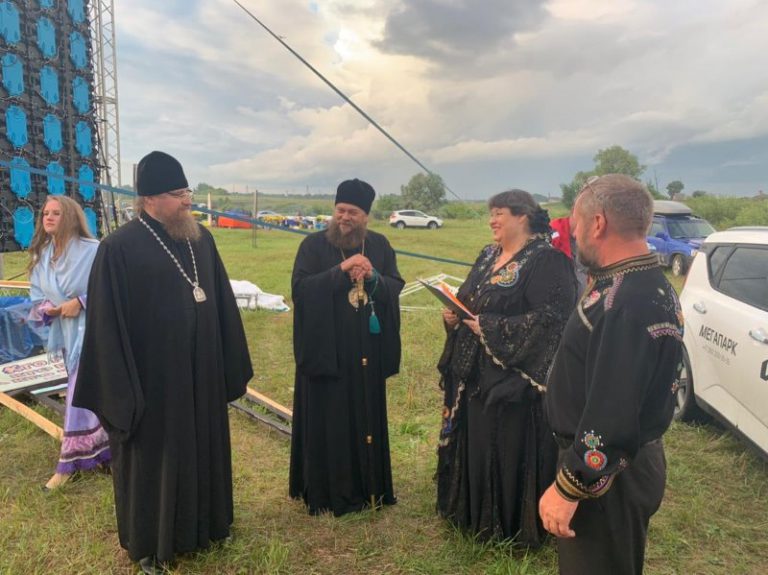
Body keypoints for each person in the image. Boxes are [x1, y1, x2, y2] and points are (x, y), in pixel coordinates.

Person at [72, 151, 253, 574]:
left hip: (202, 375)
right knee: (158, 461)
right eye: (177, 193)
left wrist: (225, 363)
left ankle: (210, 526)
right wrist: (123, 393)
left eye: (187, 191)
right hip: (153, 385)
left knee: (204, 448)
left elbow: (222, 305)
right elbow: (106, 328)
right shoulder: (118, 249)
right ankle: (152, 545)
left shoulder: (201, 240)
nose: (187, 200)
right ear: (150, 198)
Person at [539, 175, 683, 575]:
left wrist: (570, 486)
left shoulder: (625, 302)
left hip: (607, 475)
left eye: (576, 224)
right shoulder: (638, 282)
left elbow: (613, 411)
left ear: (598, 223)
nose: (573, 234)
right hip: (617, 466)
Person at [436, 189, 578, 545]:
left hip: (514, 383)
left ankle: (510, 527)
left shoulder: (548, 261)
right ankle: (470, 515)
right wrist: (454, 313)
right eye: (491, 213)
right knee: (477, 443)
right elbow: (468, 297)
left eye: (498, 213)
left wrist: (490, 326)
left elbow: (552, 320)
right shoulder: (488, 255)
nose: (492, 221)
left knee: (503, 447)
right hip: (474, 373)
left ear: (522, 216)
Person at [289, 178, 403, 516]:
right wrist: (341, 270)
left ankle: (369, 488)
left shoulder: (379, 245)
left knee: (364, 415)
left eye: (353, 212)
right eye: (340, 210)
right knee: (331, 421)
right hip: (328, 354)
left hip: (367, 352)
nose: (344, 217)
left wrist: (373, 277)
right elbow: (300, 290)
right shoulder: (313, 246)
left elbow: (395, 286)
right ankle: (329, 493)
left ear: (366, 216)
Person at [27, 195, 110, 490]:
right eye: (45, 213)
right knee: (90, 393)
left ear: (71, 217)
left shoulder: (94, 250)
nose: (48, 217)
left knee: (77, 394)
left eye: (56, 213)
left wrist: (81, 302)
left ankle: (69, 463)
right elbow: (36, 296)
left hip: (96, 331)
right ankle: (106, 452)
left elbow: (112, 287)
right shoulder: (43, 256)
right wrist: (47, 309)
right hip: (66, 334)